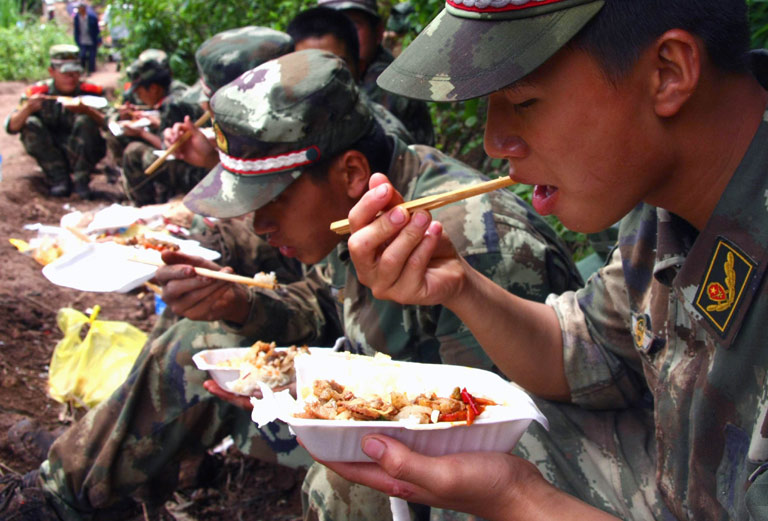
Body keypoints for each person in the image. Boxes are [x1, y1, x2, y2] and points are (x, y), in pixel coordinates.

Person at [319, 0, 768, 519]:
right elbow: (583, 352)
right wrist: (458, 285)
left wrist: (518, 499)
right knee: (428, 442)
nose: (494, 142)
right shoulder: (668, 186)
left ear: (668, 73)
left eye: (522, 102)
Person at [0, 50, 581, 521]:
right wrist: (240, 305)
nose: (257, 224)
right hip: (372, 417)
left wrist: (318, 407)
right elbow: (328, 306)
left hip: (497, 473)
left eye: (270, 198)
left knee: (347, 492)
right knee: (197, 345)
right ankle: (65, 490)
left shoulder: (469, 242)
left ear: (349, 171)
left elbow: (493, 428)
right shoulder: (366, 202)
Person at [318, 0, 436, 146]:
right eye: (332, 26)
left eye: (354, 25)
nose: (343, 35)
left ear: (378, 32)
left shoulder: (391, 85)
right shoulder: (319, 73)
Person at [286, 5, 415, 144]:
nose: (321, 80)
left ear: (360, 68)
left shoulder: (385, 136)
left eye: (335, 68)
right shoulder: (275, 129)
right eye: (307, 69)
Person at [3, 44, 107, 198]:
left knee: (86, 121)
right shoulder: (38, 92)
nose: (71, 78)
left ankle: (81, 181)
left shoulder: (92, 93)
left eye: (75, 72)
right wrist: (28, 109)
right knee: (30, 123)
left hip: (83, 149)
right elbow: (11, 127)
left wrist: (88, 111)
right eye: (65, 73)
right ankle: (58, 179)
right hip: (52, 150)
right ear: (52, 72)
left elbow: (111, 125)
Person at [118, 53, 206, 205]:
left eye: (139, 92)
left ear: (153, 88)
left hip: (199, 171)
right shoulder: (178, 90)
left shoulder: (173, 104)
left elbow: (171, 148)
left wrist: (141, 133)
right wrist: (157, 123)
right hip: (208, 163)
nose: (139, 98)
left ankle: (143, 205)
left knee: (134, 152)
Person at [72, 3, 101, 74]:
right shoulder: (76, 18)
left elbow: (97, 30)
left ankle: (91, 71)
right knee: (82, 55)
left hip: (92, 40)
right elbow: (76, 31)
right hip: (82, 40)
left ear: (84, 9)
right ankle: (83, 70)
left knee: (92, 57)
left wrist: (99, 40)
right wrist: (76, 40)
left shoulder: (92, 18)